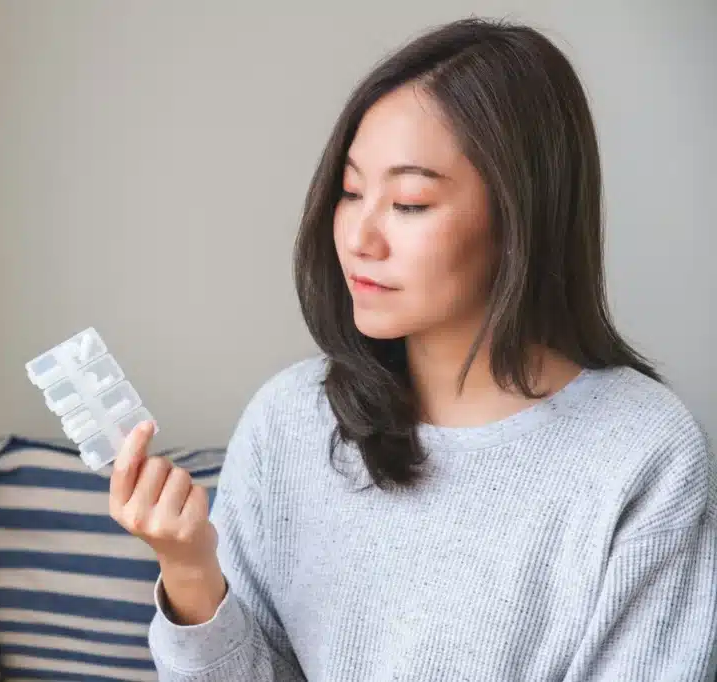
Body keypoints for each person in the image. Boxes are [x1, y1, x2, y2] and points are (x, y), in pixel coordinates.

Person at [108, 17, 717, 681]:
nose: (359, 237)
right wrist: (191, 570)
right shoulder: (290, 419)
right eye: (350, 191)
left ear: (521, 217)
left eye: (410, 201)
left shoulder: (643, 452)